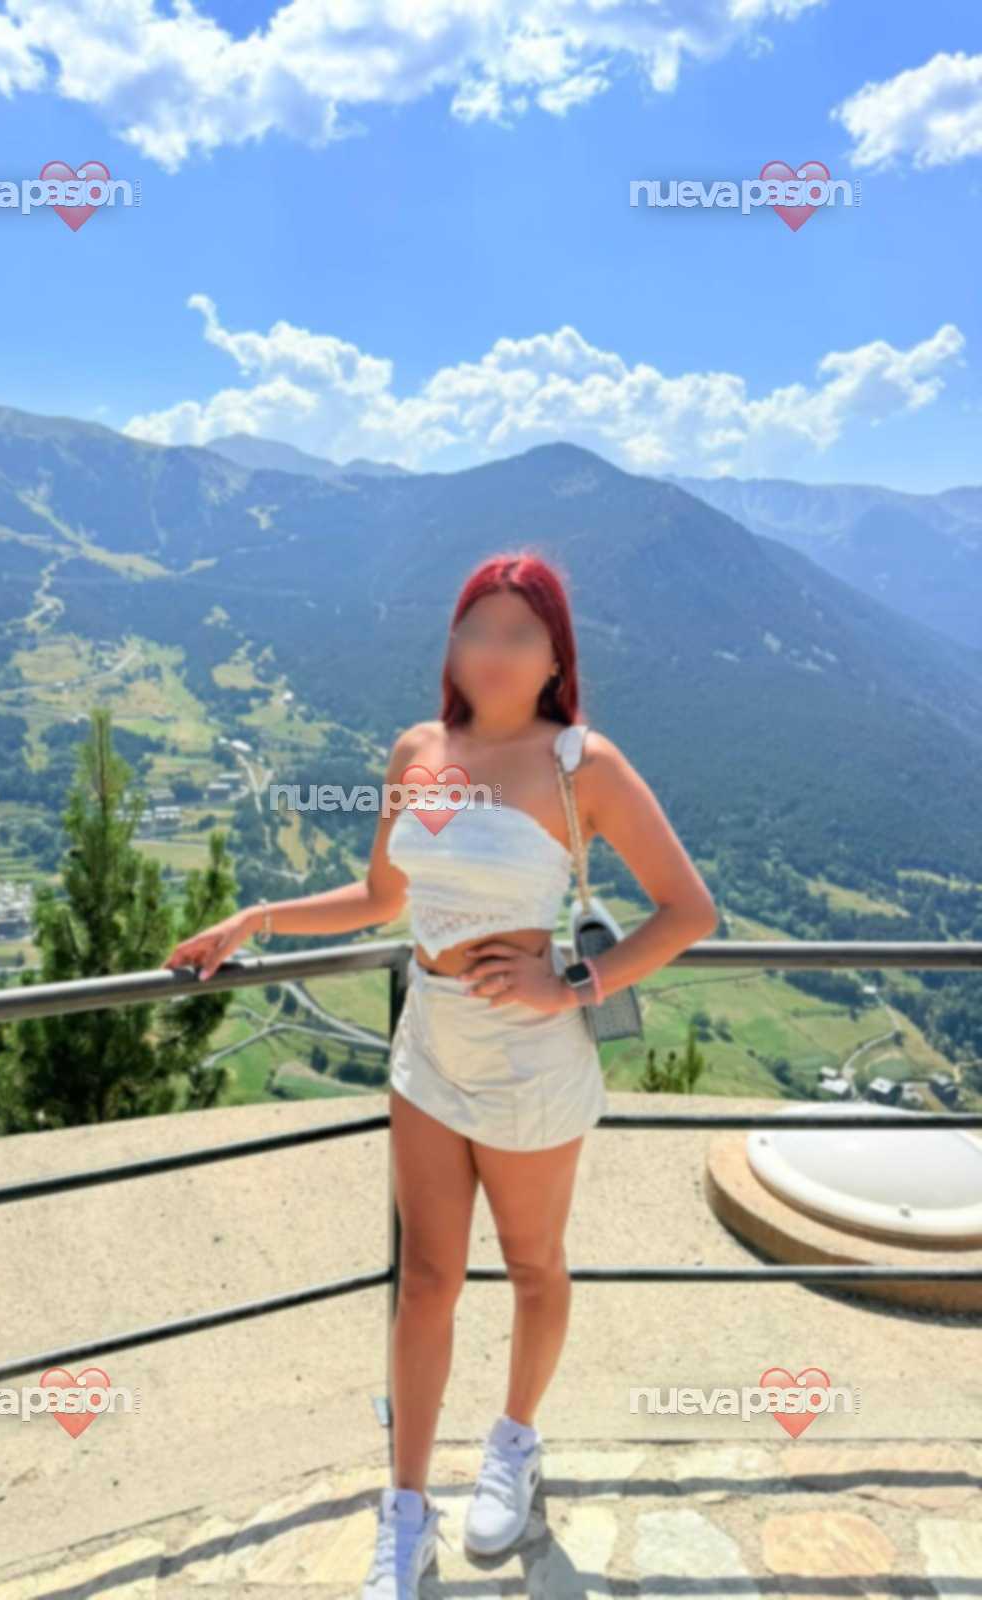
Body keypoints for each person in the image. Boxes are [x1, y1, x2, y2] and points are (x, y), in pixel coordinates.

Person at [163, 549, 719, 1598]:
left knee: (534, 1266)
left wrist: (575, 985)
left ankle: (515, 1441)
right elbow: (383, 898)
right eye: (476, 629)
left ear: (556, 656)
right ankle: (407, 1510)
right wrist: (257, 918)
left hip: (529, 1059)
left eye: (519, 633)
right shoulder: (418, 749)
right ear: (451, 645)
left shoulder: (583, 765)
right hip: (429, 1043)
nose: (493, 651)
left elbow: (690, 911)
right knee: (425, 1281)